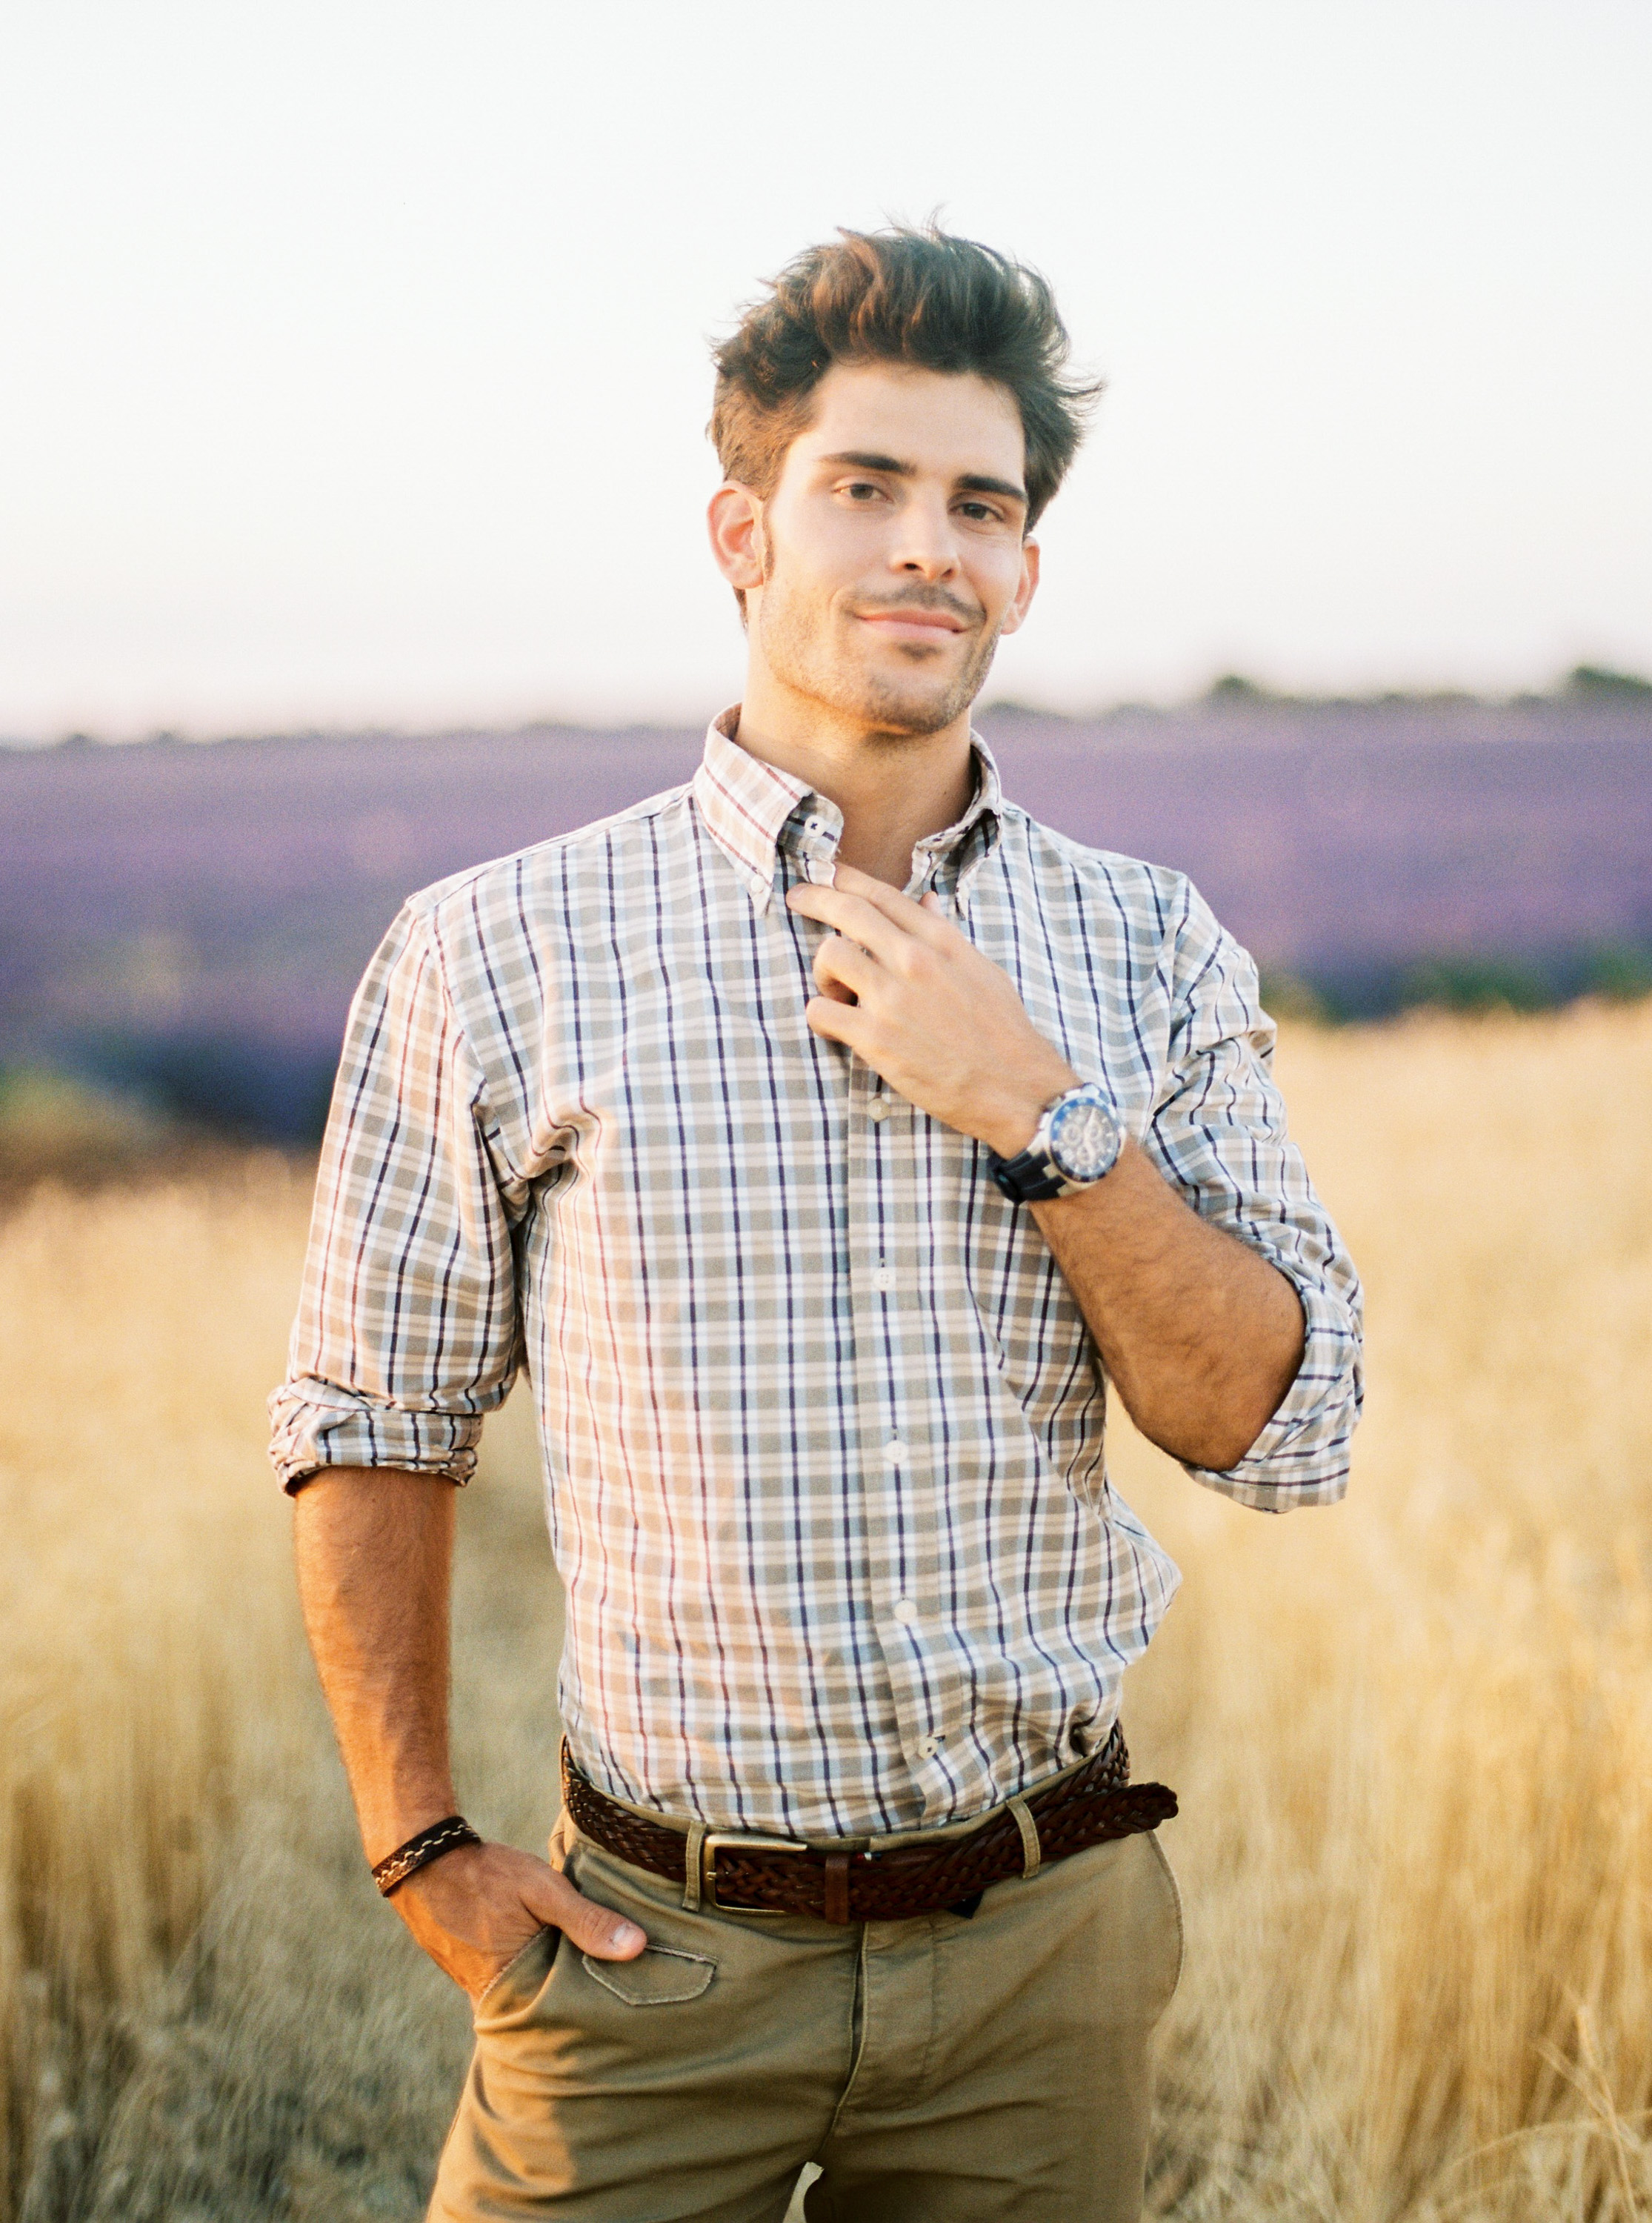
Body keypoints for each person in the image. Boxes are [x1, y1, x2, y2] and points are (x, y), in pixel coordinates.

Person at [270, 224, 1362, 2222]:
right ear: (742, 530)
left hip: (1046, 1956)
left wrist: (1040, 1112)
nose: (927, 548)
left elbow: (1268, 1425)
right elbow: (371, 1417)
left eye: (982, 504)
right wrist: (423, 1847)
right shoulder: (494, 949)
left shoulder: (1147, 947)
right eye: (863, 488)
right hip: (648, 1968)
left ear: (1028, 568)